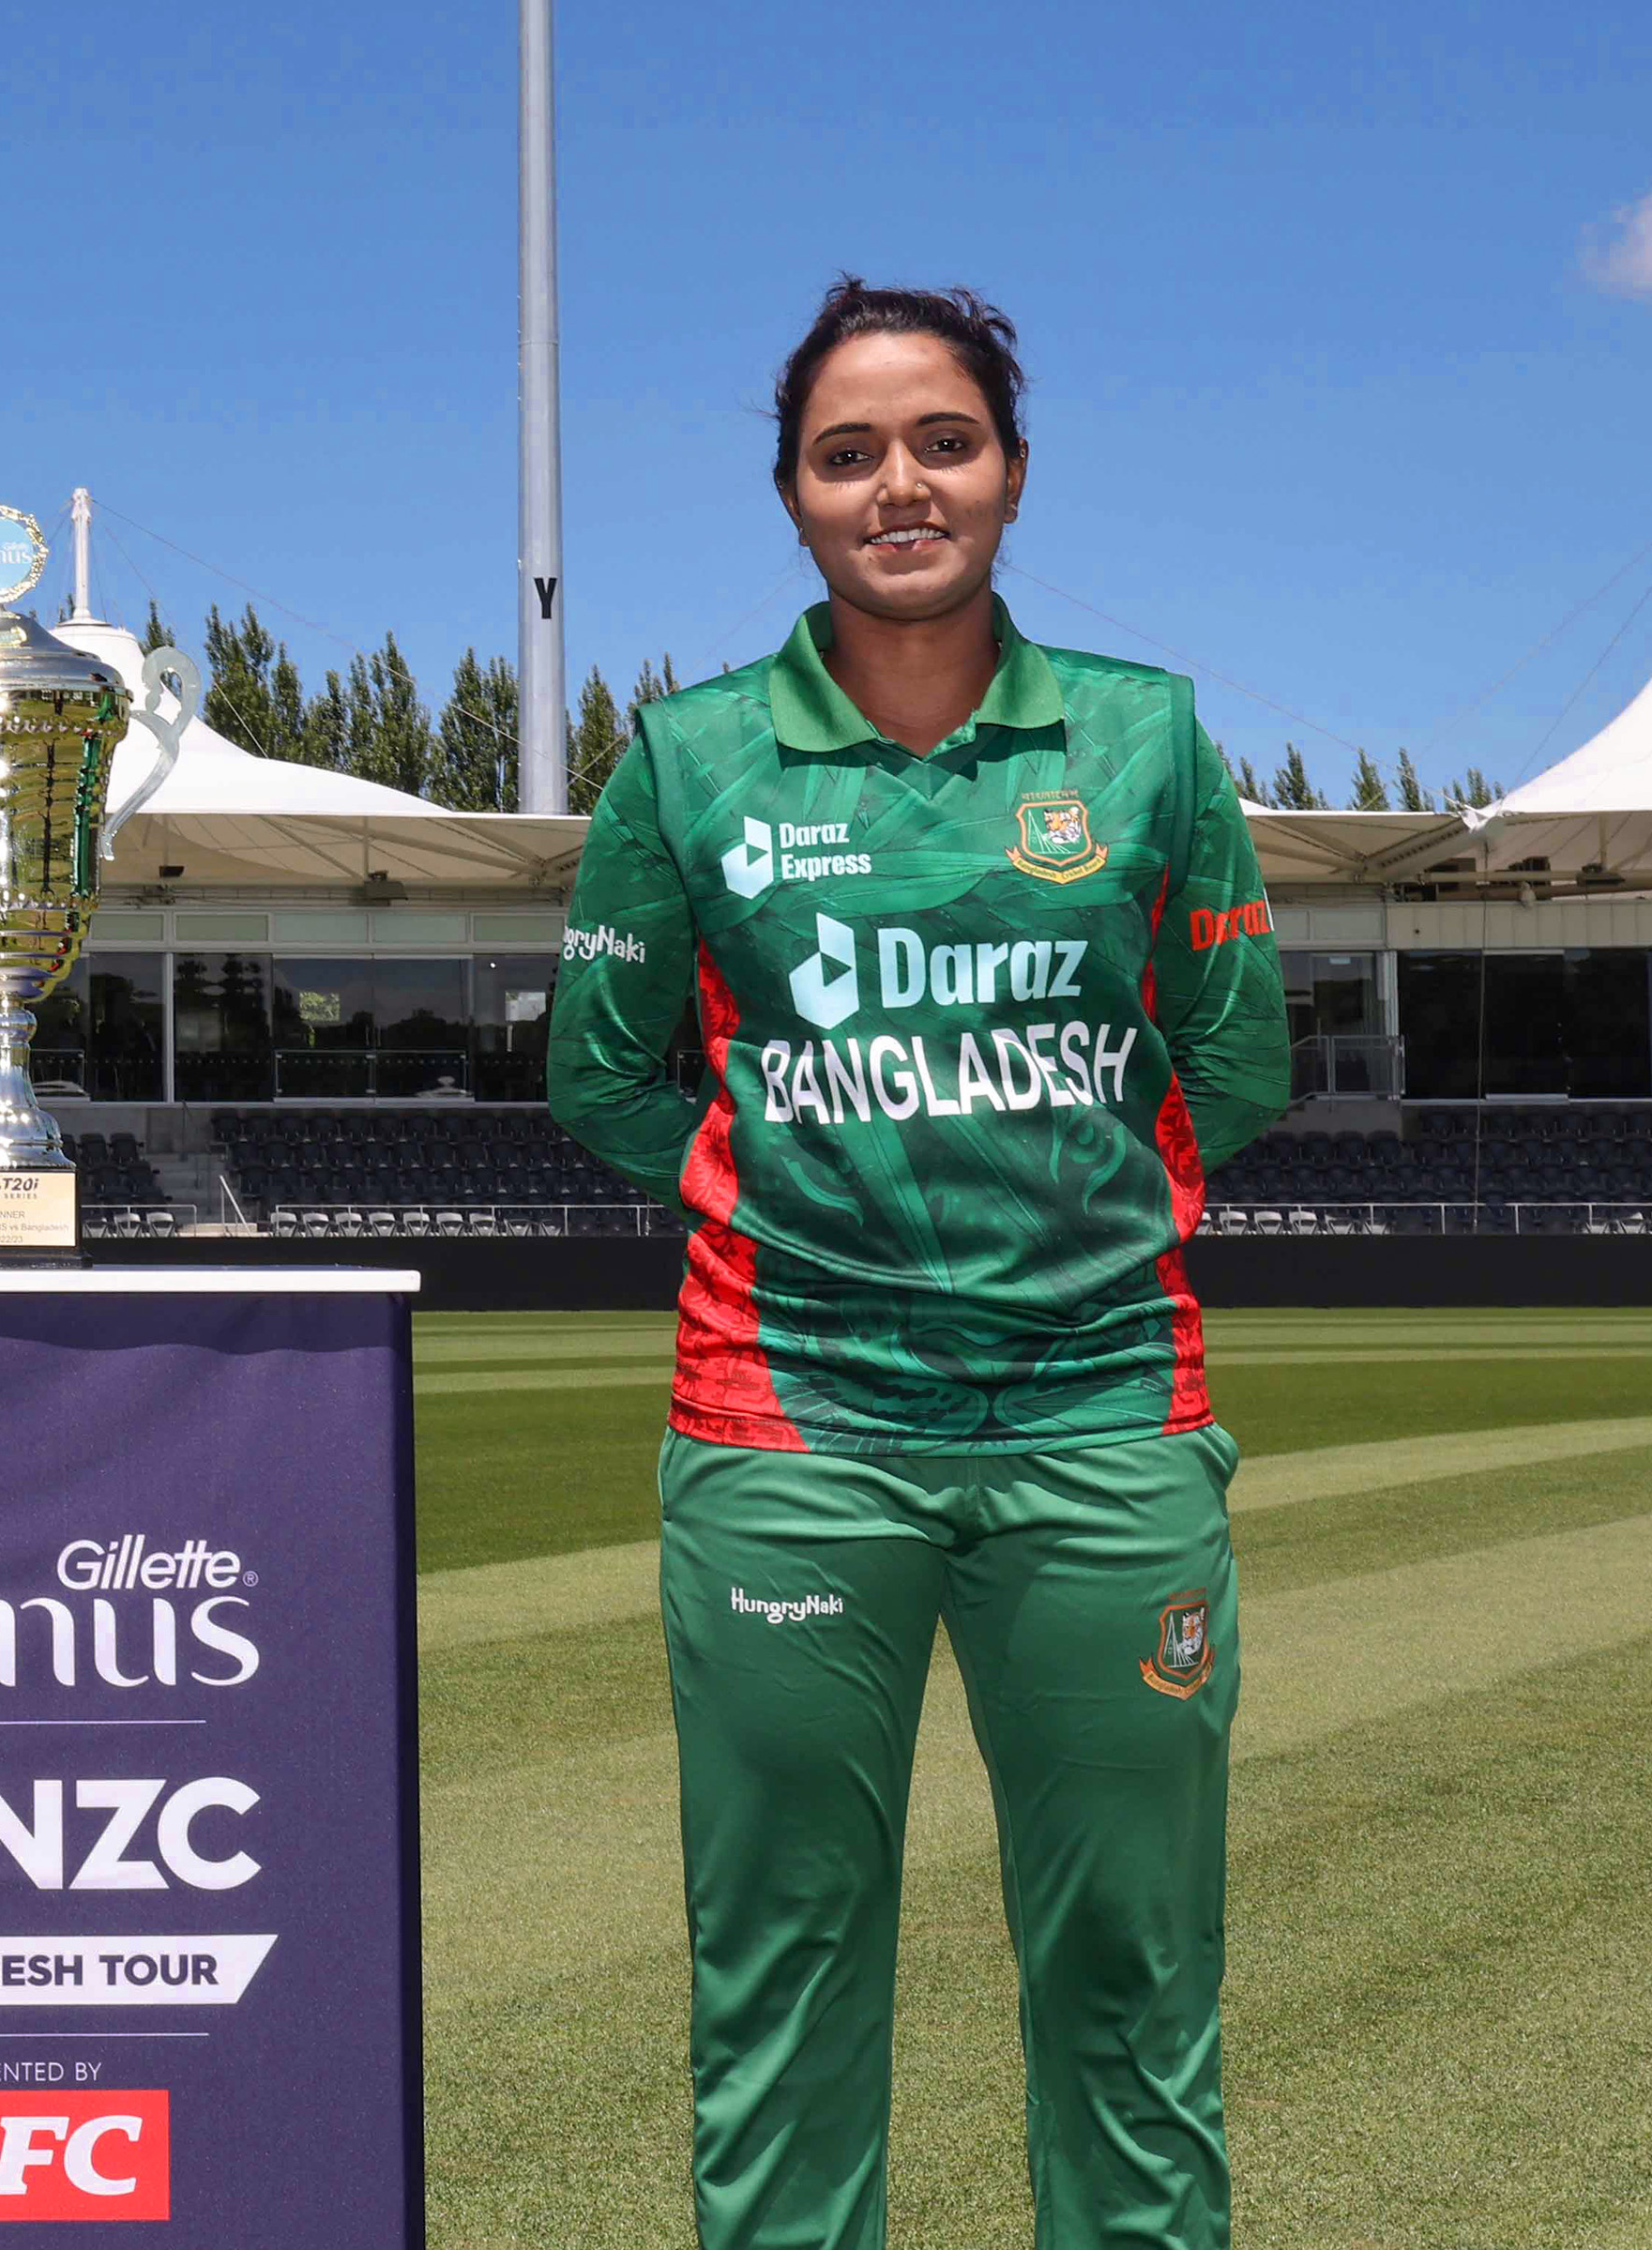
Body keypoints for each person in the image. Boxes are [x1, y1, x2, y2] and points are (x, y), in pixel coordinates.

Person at [548, 277, 1286, 2250]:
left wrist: (1058, 1223)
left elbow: (1236, 1060)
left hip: (1102, 1417)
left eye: (942, 442)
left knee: (1132, 1980)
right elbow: (601, 1078)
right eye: (846, 452)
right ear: (792, 495)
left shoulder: (1143, 735)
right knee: (782, 1993)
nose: (900, 484)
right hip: (787, 1431)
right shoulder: (689, 754)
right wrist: (797, 1207)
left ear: (1013, 472)